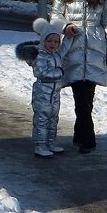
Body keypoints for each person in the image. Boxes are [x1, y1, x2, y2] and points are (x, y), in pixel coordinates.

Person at [49, 0, 107, 154]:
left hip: (95, 48)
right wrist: (64, 28)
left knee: (87, 97)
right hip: (72, 46)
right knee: (80, 96)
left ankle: (85, 139)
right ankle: (86, 139)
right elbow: (55, 15)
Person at [27, 19, 66, 158]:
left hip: (54, 94)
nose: (53, 44)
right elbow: (41, 72)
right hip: (42, 93)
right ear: (43, 41)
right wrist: (59, 73)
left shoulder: (56, 55)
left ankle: (51, 142)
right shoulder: (40, 56)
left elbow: (66, 47)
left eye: (56, 42)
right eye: (49, 41)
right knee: (42, 119)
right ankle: (40, 145)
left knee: (53, 118)